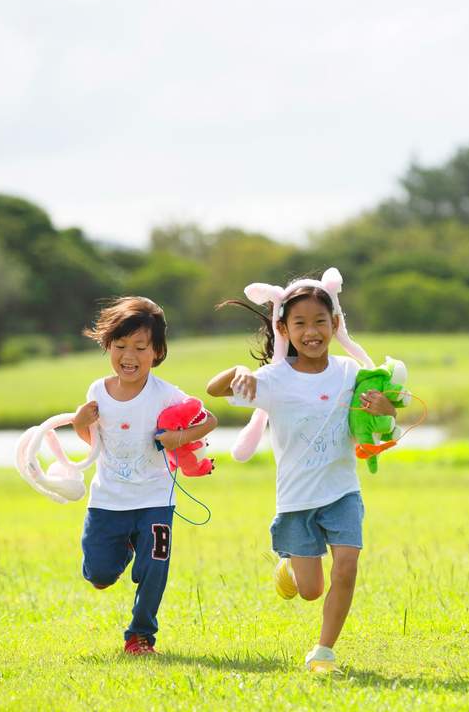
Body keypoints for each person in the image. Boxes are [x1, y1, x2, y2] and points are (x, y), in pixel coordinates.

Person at [207, 282, 396, 673]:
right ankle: (290, 567)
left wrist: (387, 408)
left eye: (320, 322)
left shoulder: (351, 372)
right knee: (311, 591)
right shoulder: (273, 379)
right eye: (300, 323)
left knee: (346, 567)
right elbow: (214, 389)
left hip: (342, 491)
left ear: (336, 323)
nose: (312, 332)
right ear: (283, 330)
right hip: (296, 501)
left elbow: (383, 416)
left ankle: (324, 652)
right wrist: (240, 371)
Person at [73, 296, 216, 655]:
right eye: (120, 346)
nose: (129, 356)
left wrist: (178, 438)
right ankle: (123, 549)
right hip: (108, 500)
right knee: (99, 575)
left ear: (157, 351)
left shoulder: (167, 395)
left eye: (140, 347)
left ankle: (140, 636)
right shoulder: (97, 392)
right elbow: (92, 442)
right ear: (108, 346)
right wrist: (79, 423)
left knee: (155, 564)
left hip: (155, 499)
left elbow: (209, 420)